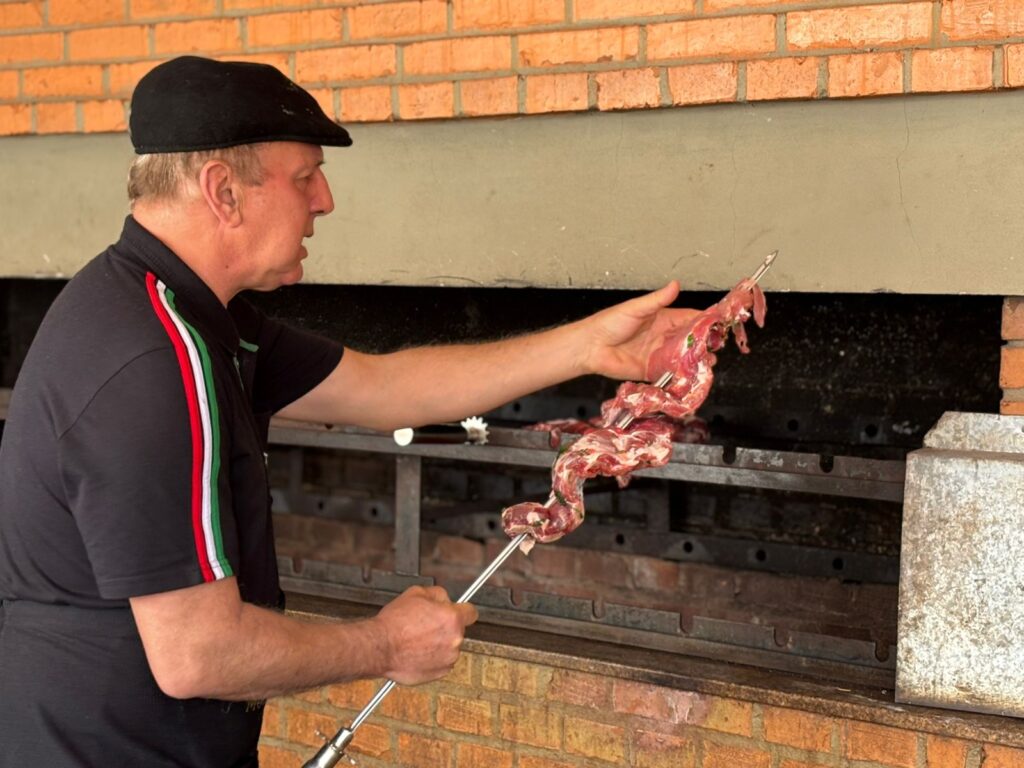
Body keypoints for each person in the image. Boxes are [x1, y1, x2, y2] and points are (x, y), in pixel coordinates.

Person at [0, 56, 699, 767]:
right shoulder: (150, 361)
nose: (325, 200)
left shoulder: (196, 316)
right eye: (305, 176)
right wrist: (386, 645)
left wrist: (592, 347)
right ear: (223, 191)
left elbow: (384, 387)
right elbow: (197, 654)